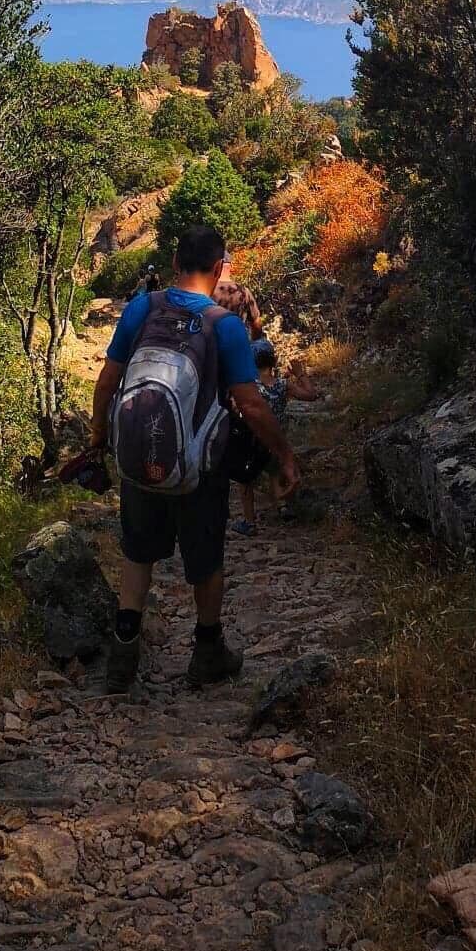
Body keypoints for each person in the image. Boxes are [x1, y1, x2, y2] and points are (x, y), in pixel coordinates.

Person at [90, 223, 300, 695]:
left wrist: (100, 434)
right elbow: (250, 402)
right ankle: (207, 652)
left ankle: (123, 652)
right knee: (205, 559)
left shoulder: (142, 307)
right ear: (220, 267)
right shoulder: (223, 326)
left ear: (174, 264)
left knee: (138, 551)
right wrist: (284, 455)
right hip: (200, 465)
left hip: (139, 454)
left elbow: (108, 381)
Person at [231, 336, 320, 536]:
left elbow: (237, 408)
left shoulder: (249, 388)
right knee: (275, 472)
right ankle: (284, 507)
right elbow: (311, 395)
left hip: (253, 441)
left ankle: (249, 521)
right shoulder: (282, 385)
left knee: (245, 481)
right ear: (273, 361)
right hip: (278, 440)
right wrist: (300, 374)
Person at [212, 257, 265, 339]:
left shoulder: (207, 290)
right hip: (237, 343)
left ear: (216, 266)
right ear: (231, 266)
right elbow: (256, 322)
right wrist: (254, 342)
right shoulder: (243, 291)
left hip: (212, 346)